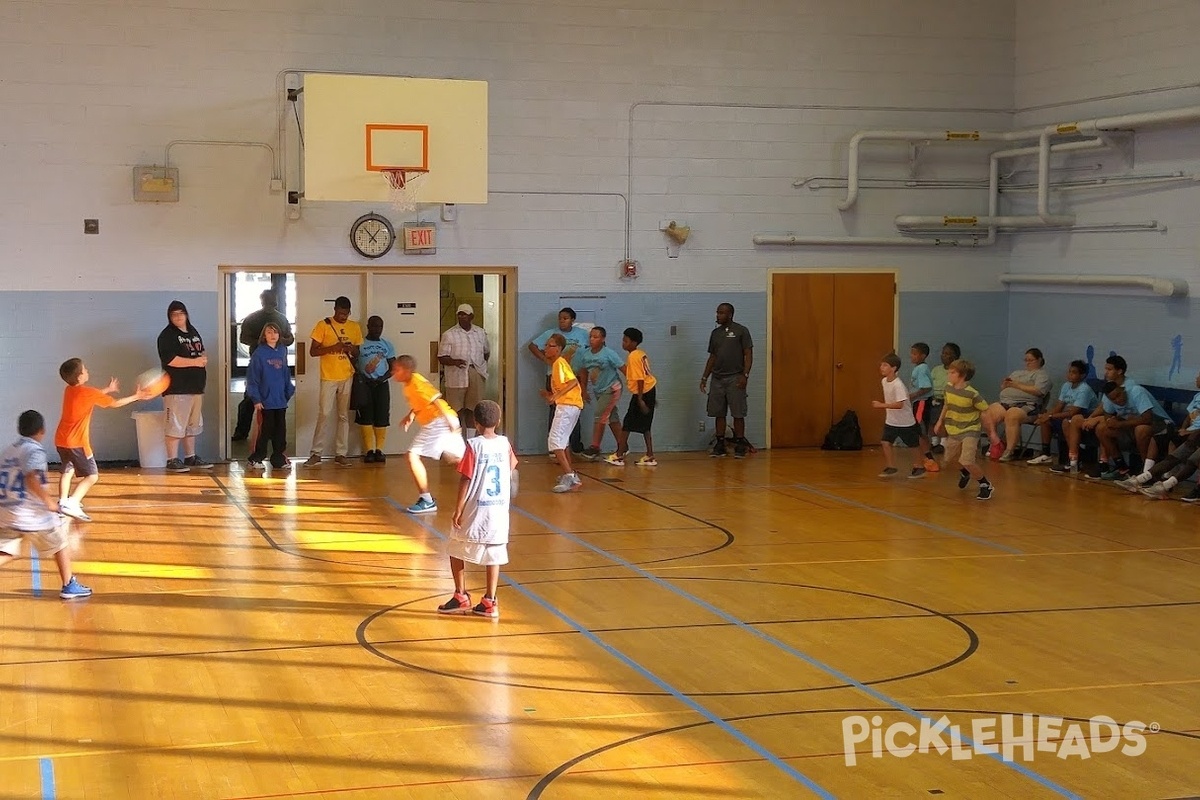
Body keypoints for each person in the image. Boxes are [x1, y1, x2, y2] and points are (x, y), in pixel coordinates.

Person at [437, 400, 519, 619]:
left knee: (455, 548)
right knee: (494, 553)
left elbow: (466, 477)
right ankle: (490, 600)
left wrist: (458, 509)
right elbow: (511, 466)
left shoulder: (474, 445)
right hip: (498, 510)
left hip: (476, 508)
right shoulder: (504, 443)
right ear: (498, 421)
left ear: (475, 422)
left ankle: (461, 594)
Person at [0, 410, 92, 599]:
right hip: (32, 514)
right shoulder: (34, 450)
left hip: (7, 511)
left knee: (6, 551)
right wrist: (49, 502)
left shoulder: (8, 450)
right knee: (60, 543)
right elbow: (31, 478)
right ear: (42, 430)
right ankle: (68, 585)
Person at [54, 359, 148, 521]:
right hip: (77, 443)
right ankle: (73, 503)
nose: (87, 370)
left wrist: (108, 389)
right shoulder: (88, 393)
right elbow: (115, 403)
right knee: (92, 476)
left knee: (67, 471)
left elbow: (91, 395)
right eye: (85, 369)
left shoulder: (69, 390)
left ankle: (63, 502)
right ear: (80, 377)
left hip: (61, 440)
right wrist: (136, 396)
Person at [391, 355, 465, 513]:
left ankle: (427, 500)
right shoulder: (409, 384)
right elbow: (422, 402)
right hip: (443, 420)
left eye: (396, 369)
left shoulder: (417, 383)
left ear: (407, 370)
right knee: (456, 460)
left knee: (412, 456)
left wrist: (449, 421)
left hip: (438, 422)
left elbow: (435, 399)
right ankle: (497, 477)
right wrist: (411, 415)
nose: (393, 372)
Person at [304, 296, 363, 468]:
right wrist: (332, 348)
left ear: (350, 312)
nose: (343, 317)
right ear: (335, 310)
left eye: (346, 314)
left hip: (347, 375)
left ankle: (341, 453)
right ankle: (316, 453)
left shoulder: (354, 327)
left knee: (344, 416)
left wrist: (351, 349)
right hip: (328, 377)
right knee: (324, 414)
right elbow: (313, 352)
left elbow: (358, 353)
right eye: (340, 313)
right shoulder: (323, 325)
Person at [1052, 354, 1132, 475]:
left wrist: (1096, 419)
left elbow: (1120, 412)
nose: (1106, 372)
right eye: (1106, 369)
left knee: (1102, 426)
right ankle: (1074, 462)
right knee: (1075, 419)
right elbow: (1103, 406)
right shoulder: (1110, 384)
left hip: (1123, 421)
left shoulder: (1129, 387)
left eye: (1109, 369)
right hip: (1108, 416)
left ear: (1120, 371)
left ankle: (1103, 464)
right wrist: (1089, 418)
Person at [158, 300, 212, 473]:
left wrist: (202, 359)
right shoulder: (167, 336)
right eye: (174, 314)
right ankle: (172, 459)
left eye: (181, 313)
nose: (178, 317)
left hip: (195, 386)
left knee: (192, 425)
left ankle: (190, 457)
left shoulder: (193, 331)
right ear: (169, 317)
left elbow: (200, 350)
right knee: (175, 425)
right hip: (177, 388)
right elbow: (170, 360)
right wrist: (195, 362)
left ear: (186, 314)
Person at [233, 290, 294, 441]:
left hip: (275, 363)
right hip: (260, 362)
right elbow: (244, 338)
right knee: (252, 399)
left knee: (264, 402)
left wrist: (277, 342)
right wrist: (263, 343)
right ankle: (245, 433)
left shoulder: (280, 318)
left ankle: (249, 433)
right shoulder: (256, 318)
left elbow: (290, 338)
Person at [527, 308, 589, 454]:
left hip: (572, 377)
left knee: (569, 414)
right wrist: (545, 359)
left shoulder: (582, 335)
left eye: (565, 318)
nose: (562, 321)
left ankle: (570, 446)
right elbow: (532, 346)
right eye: (560, 318)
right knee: (556, 412)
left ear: (572, 320)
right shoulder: (551, 335)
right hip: (556, 378)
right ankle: (558, 448)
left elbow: (573, 381)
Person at [1087, 380, 1173, 481]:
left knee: (1141, 430)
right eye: (1113, 399)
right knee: (1102, 429)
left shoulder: (1136, 391)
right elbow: (1108, 415)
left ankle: (1147, 471)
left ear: (1122, 389)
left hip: (1159, 424)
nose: (1117, 400)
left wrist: (1120, 423)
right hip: (1131, 426)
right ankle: (1122, 467)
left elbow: (1147, 418)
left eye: (1118, 395)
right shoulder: (1108, 398)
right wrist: (1111, 420)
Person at [934, 358, 994, 501]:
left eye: (952, 372)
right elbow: (946, 405)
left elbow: (986, 412)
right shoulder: (948, 388)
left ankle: (985, 484)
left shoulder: (972, 394)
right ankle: (965, 473)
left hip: (970, 430)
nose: (949, 374)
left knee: (967, 460)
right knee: (949, 459)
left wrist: (992, 433)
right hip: (953, 429)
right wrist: (940, 421)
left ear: (962, 375)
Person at [700, 303, 754, 458]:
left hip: (735, 377)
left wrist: (745, 375)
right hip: (717, 378)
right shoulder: (715, 333)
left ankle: (739, 444)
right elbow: (712, 357)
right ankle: (720, 443)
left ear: (730, 314)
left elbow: (748, 355)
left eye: (721, 313)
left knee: (738, 413)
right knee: (718, 413)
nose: (718, 315)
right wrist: (705, 377)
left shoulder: (741, 331)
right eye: (717, 312)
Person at [986, 348, 1052, 462]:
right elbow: (1005, 386)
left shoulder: (1042, 375)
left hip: (1028, 406)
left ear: (1039, 360)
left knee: (1012, 415)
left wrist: (1016, 385)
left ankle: (1009, 450)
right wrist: (1006, 384)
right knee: (988, 412)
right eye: (1026, 360)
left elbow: (1038, 391)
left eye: (1031, 360)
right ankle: (996, 443)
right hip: (1007, 402)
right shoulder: (1017, 373)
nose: (1027, 362)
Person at [1026, 360, 1098, 465]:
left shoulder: (1084, 390)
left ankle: (1075, 457)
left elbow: (1073, 412)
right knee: (1045, 421)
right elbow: (1059, 406)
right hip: (1068, 416)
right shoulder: (1066, 386)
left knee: (1064, 422)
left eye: (1073, 372)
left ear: (1082, 375)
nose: (1069, 374)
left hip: (1083, 418)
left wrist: (1050, 415)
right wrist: (1046, 416)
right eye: (1069, 371)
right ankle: (1046, 454)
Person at [604, 327, 658, 467]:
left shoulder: (633, 356)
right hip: (650, 390)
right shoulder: (641, 353)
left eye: (626, 341)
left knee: (627, 424)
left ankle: (619, 455)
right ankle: (650, 455)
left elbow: (640, 379)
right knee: (645, 426)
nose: (623, 343)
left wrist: (640, 399)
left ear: (634, 343)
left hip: (642, 393)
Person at [245, 323, 295, 470]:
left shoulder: (282, 351)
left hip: (280, 400)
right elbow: (253, 378)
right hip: (266, 400)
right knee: (265, 430)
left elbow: (285, 374)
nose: (272, 335)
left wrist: (288, 392)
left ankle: (278, 458)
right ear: (264, 335)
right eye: (269, 332)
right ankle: (256, 458)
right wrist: (256, 399)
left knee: (280, 431)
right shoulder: (259, 354)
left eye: (275, 332)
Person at [538, 334, 584, 492]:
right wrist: (549, 395)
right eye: (546, 345)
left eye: (549, 345)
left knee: (555, 441)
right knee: (563, 442)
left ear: (557, 349)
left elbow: (573, 382)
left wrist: (555, 396)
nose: (546, 348)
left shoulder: (560, 363)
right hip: (571, 406)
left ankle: (570, 476)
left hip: (567, 406)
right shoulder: (557, 364)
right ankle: (570, 475)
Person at [575, 326, 625, 460]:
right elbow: (583, 371)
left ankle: (595, 447)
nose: (592, 339)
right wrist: (584, 390)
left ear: (603, 339)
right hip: (599, 390)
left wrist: (635, 386)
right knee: (612, 417)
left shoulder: (609, 353)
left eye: (596, 337)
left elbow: (623, 368)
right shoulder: (586, 354)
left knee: (600, 415)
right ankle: (623, 446)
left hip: (612, 388)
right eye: (591, 336)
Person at [874, 353, 926, 479]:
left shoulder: (898, 385)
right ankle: (891, 467)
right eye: (881, 365)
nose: (881, 367)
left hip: (905, 422)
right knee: (885, 442)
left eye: (885, 365)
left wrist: (881, 405)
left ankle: (919, 466)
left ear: (894, 368)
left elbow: (899, 405)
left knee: (913, 445)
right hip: (891, 421)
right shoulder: (884, 381)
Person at [357, 315, 397, 463]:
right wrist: (364, 378)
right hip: (364, 385)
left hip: (381, 385)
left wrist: (382, 378)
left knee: (381, 417)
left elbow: (393, 367)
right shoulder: (360, 343)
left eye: (379, 326)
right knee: (366, 417)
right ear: (368, 326)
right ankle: (369, 450)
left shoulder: (387, 345)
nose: (377, 329)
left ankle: (379, 450)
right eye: (374, 326)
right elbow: (354, 364)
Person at [438, 303, 490, 412]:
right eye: (460, 315)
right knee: (456, 409)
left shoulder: (480, 333)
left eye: (465, 315)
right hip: (456, 376)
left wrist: (479, 366)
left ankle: (471, 429)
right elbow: (441, 357)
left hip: (476, 372)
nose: (462, 317)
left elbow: (486, 352)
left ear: (471, 317)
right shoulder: (449, 334)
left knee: (474, 408)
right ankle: (459, 429)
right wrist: (454, 362)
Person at [907, 342, 938, 471]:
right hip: (918, 402)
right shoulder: (918, 368)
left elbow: (926, 387)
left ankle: (928, 458)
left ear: (923, 356)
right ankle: (927, 456)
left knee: (920, 430)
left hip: (922, 402)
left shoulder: (922, 369)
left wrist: (913, 396)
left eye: (915, 354)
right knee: (919, 431)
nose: (912, 356)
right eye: (912, 353)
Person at [929, 342, 959, 453]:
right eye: (943, 353)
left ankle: (943, 443)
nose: (943, 355)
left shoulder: (956, 371)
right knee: (932, 419)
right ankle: (934, 441)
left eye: (947, 354)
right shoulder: (936, 370)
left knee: (943, 420)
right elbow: (930, 384)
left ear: (955, 356)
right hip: (934, 398)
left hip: (949, 399)